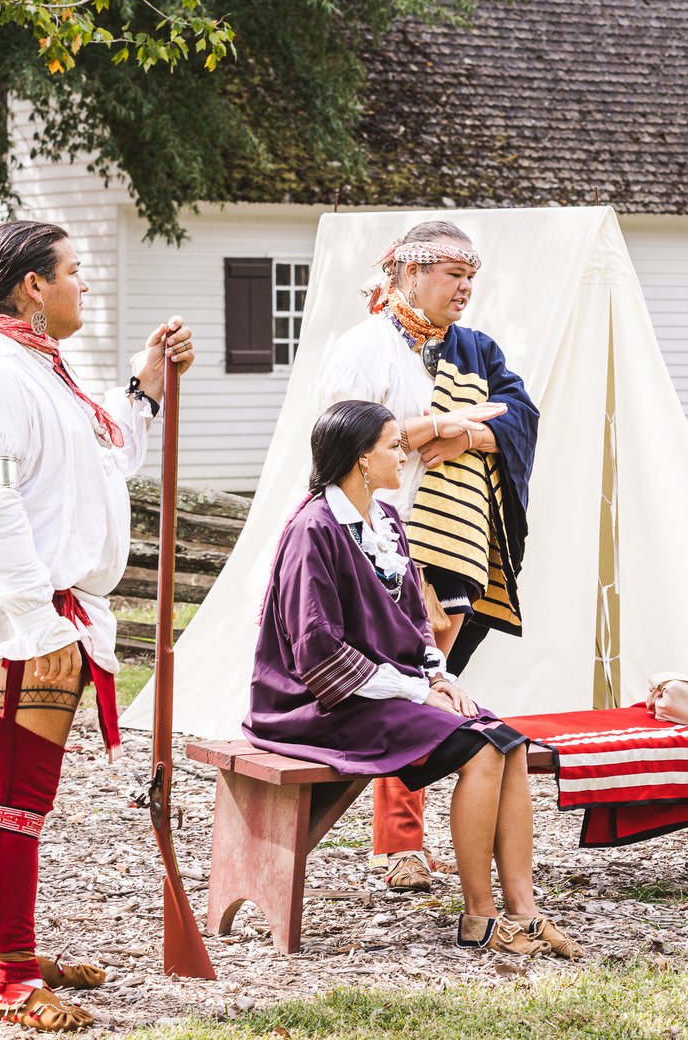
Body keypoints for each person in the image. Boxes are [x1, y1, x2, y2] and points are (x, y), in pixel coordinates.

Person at [0, 220, 194, 1029]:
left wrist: (144, 384)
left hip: (38, 609)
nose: (85, 284)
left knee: (16, 791)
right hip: (12, 614)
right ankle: (3, 976)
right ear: (33, 285)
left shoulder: (34, 367)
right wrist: (39, 623)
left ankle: (14, 948)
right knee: (18, 794)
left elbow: (99, 461)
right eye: (74, 271)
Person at [245, 400, 577, 958]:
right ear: (359, 459)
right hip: (317, 702)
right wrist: (418, 691)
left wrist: (439, 678)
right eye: (394, 445)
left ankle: (524, 910)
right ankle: (480, 918)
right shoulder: (313, 530)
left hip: (381, 689)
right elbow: (317, 654)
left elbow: (415, 627)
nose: (406, 453)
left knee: (509, 742)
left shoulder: (389, 523)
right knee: (481, 750)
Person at [313, 220, 538, 891]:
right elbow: (335, 437)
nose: (465, 289)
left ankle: (406, 845)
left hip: (439, 540)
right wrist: (435, 427)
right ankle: (398, 843)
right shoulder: (369, 347)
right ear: (409, 272)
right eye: (452, 274)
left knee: (427, 685)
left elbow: (521, 416)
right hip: (376, 543)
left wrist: (466, 433)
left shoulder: (452, 350)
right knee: (410, 684)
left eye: (472, 278)